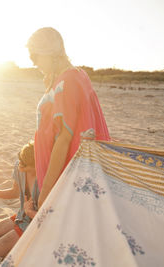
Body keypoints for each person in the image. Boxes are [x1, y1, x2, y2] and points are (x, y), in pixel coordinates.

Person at [27, 27, 110, 207]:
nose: (33, 62)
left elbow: (64, 138)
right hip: (73, 167)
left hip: (64, 170)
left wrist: (47, 191)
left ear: (50, 53)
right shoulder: (78, 74)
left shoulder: (67, 82)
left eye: (35, 56)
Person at [0, 142, 38, 258]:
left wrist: (30, 212)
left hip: (34, 222)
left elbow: (50, 217)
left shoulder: (44, 177)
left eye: (24, 165)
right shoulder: (19, 165)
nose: (20, 166)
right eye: (19, 160)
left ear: (36, 165)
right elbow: (14, 192)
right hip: (22, 215)